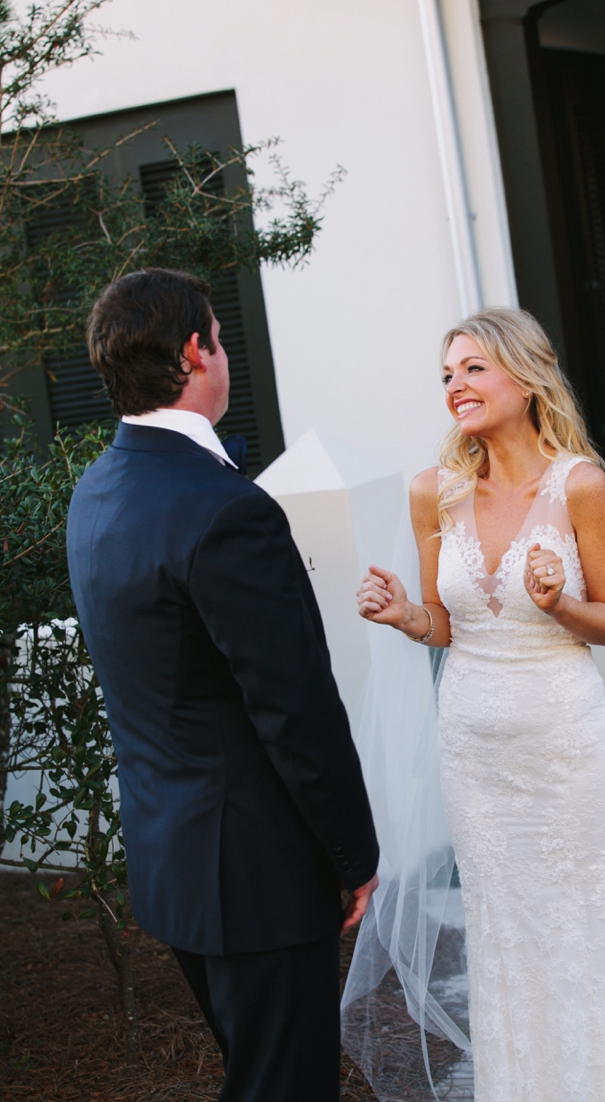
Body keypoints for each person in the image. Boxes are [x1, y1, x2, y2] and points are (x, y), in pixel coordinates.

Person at [350, 308, 605, 1102]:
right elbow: (446, 624)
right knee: (507, 930)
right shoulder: (434, 492)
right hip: (476, 751)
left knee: (587, 916)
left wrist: (559, 604)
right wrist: (405, 615)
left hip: (565, 745)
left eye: (473, 368)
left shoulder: (581, 486)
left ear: (526, 375)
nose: (456, 387)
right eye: (446, 375)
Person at [67, 267, 379, 1102]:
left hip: (176, 863)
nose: (224, 352)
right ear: (196, 351)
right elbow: (294, 706)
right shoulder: (225, 508)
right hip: (256, 872)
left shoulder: (95, 492)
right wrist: (352, 851)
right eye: (219, 335)